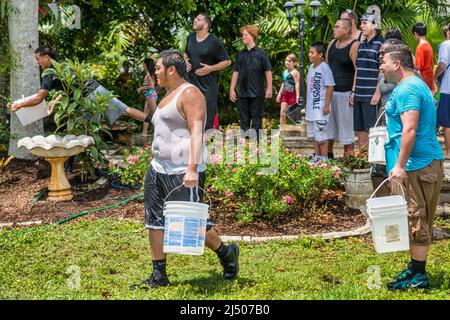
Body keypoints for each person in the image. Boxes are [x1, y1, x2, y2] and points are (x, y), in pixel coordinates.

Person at [130, 50, 239, 290]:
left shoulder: (190, 93)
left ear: (171, 69)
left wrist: (191, 169)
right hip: (158, 168)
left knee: (193, 225)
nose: (155, 71)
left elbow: (197, 132)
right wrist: (148, 90)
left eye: (158, 68)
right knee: (154, 220)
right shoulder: (167, 95)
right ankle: (159, 275)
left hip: (183, 170)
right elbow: (156, 120)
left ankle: (226, 253)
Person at [379, 43, 444, 290]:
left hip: (419, 165)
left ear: (396, 64)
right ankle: (415, 267)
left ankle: (420, 277)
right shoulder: (410, 86)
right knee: (413, 217)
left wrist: (400, 165)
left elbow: (410, 129)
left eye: (383, 62)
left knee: (418, 220)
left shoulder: (409, 89)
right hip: (417, 164)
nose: (381, 68)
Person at [10, 46, 147, 127]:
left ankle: (76, 165)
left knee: (84, 130)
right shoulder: (64, 63)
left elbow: (39, 98)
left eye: (37, 58)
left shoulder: (48, 73)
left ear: (46, 57)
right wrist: (55, 101)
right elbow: (67, 88)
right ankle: (152, 120)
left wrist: (19, 105)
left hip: (85, 99)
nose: (37, 62)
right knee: (125, 110)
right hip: (96, 88)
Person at [184, 13, 231, 130]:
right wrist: (185, 59)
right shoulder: (190, 37)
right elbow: (186, 52)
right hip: (191, 85)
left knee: (206, 122)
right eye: (195, 18)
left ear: (205, 25)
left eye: (198, 19)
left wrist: (210, 68)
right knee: (190, 119)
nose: (194, 20)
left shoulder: (214, 41)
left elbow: (227, 61)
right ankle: (192, 146)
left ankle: (205, 145)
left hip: (208, 88)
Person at [229, 25, 273, 140]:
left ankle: (255, 147)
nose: (243, 36)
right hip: (242, 92)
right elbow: (235, 71)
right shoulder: (240, 54)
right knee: (244, 120)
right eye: (242, 34)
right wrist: (232, 89)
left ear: (252, 36)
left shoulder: (261, 54)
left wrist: (269, 88)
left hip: (257, 92)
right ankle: (244, 146)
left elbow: (268, 71)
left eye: (245, 34)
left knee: (257, 120)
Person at [350, 12, 384, 150]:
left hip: (372, 95)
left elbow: (382, 71)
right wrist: (353, 91)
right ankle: (363, 158)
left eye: (365, 23)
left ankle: (373, 161)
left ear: (374, 25)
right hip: (359, 92)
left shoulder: (381, 44)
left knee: (372, 128)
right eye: (361, 22)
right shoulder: (362, 44)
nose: (361, 26)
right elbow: (357, 69)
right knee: (360, 129)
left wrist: (378, 91)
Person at [326, 18, 359, 158]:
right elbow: (326, 65)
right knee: (328, 130)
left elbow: (358, 69)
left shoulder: (354, 45)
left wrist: (353, 91)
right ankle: (328, 158)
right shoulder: (332, 43)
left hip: (346, 93)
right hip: (330, 93)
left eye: (337, 27)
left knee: (347, 131)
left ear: (346, 30)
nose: (334, 29)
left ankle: (349, 161)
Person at [305, 41, 335, 161]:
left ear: (320, 54)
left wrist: (327, 105)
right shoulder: (311, 68)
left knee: (322, 135)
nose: (309, 54)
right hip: (311, 109)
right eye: (309, 52)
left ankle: (324, 159)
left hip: (321, 109)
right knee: (314, 136)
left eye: (312, 52)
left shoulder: (325, 68)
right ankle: (317, 157)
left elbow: (330, 86)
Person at [436, 23, 450, 159]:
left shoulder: (446, 45)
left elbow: (442, 64)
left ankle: (449, 152)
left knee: (447, 122)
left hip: (448, 88)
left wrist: (435, 76)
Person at [276, 54, 300, 132]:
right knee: (282, 114)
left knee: (292, 115)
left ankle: (296, 131)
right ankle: (282, 131)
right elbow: (284, 83)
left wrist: (297, 96)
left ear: (294, 63)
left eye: (289, 61)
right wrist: (279, 94)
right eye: (286, 60)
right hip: (285, 95)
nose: (287, 62)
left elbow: (297, 84)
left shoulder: (295, 72)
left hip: (292, 95)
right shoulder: (284, 72)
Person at [137, 57, 158, 143]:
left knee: (156, 114)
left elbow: (152, 86)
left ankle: (162, 131)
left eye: (144, 64)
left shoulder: (149, 75)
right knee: (145, 115)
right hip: (149, 97)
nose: (143, 66)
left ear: (146, 65)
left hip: (151, 96)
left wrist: (141, 88)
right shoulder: (149, 74)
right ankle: (144, 132)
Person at [412, 23, 436, 94]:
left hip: (423, 81)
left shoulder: (420, 47)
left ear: (415, 33)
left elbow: (418, 67)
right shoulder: (428, 45)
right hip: (430, 79)